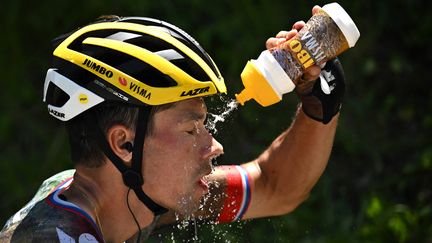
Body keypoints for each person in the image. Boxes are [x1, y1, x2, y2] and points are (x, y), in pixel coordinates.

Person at [0, 5, 346, 242]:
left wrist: (320, 106)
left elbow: (274, 187)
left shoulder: (138, 195)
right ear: (123, 144)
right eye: (190, 129)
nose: (215, 146)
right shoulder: (54, 236)